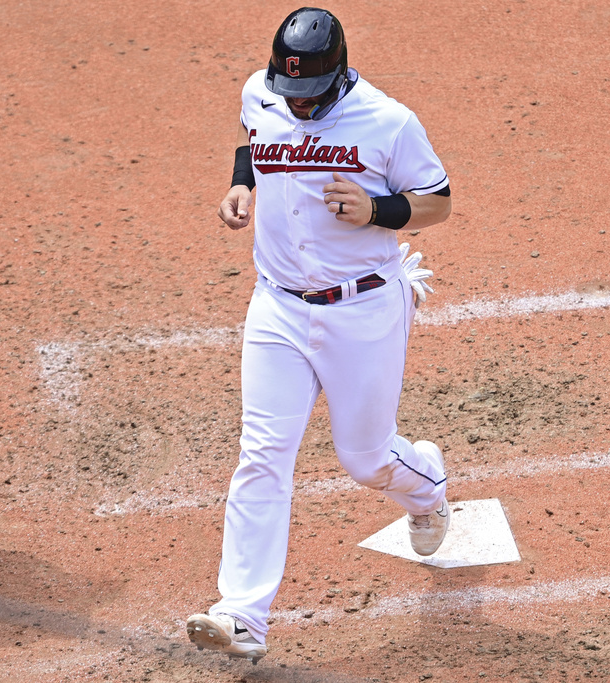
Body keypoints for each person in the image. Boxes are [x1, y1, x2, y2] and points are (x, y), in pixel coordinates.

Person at [186, 8, 452, 664]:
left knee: (366, 460)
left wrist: (379, 210)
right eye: (288, 93)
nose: (296, 107)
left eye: (309, 97)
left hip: (362, 309)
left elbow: (438, 198)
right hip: (276, 307)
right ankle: (242, 613)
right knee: (264, 451)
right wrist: (241, 185)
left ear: (337, 78)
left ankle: (428, 486)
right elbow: (255, 135)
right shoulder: (263, 91)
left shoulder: (388, 122)